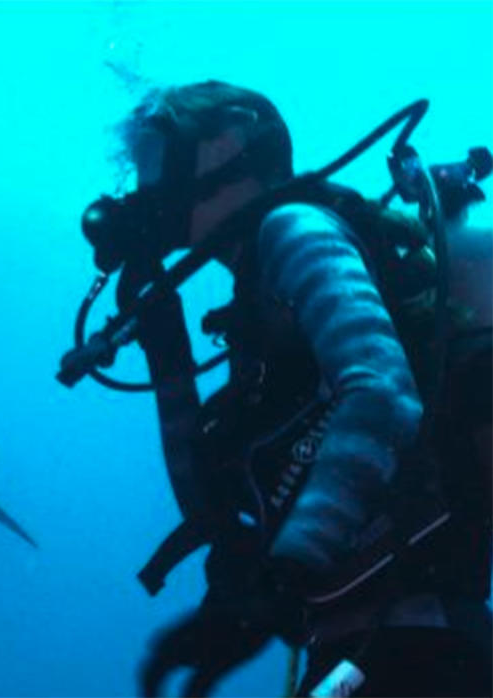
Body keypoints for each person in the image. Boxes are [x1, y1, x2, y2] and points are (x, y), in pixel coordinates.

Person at [78, 81, 490, 696]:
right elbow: (229, 498)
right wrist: (167, 354)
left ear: (226, 149)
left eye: (156, 162)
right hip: (367, 651)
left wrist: (286, 574)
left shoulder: (293, 230)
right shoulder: (258, 307)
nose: (144, 189)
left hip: (417, 649)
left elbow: (381, 395)